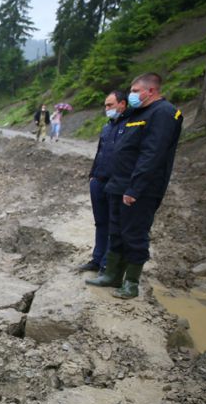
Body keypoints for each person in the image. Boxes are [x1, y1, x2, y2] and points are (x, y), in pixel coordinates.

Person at [86, 73, 183, 299]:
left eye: (136, 91)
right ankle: (111, 275)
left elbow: (152, 155)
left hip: (140, 189)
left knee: (134, 234)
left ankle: (131, 283)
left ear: (151, 91)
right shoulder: (136, 113)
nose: (132, 95)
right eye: (131, 91)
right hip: (117, 184)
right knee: (117, 232)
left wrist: (135, 188)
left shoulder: (164, 113)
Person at [77, 90, 128, 273]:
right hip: (99, 181)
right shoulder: (107, 127)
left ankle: (108, 264)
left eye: (110, 105)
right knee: (100, 223)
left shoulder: (130, 127)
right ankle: (97, 260)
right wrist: (92, 175)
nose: (106, 109)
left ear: (122, 104)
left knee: (114, 226)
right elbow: (100, 152)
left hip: (115, 184)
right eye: (105, 105)